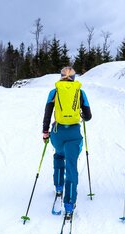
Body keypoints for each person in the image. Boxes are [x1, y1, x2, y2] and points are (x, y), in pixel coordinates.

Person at [42, 66, 92, 219]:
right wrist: (81, 114)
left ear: (61, 76)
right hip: (74, 133)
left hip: (57, 132)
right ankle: (69, 204)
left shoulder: (54, 91)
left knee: (58, 155)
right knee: (71, 165)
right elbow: (88, 116)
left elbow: (48, 113)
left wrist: (45, 132)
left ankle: (58, 186)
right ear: (74, 78)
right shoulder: (80, 92)